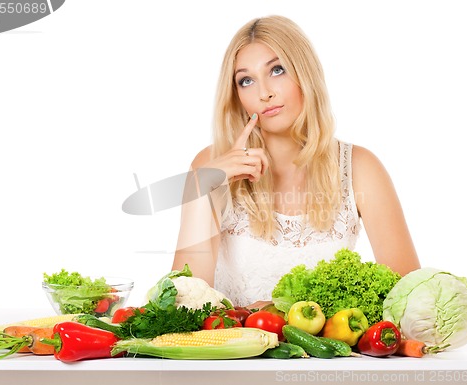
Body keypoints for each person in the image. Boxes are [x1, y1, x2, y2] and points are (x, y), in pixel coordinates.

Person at [172, 15, 420, 309]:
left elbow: (408, 300)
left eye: (278, 70)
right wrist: (202, 187)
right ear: (236, 96)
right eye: (246, 80)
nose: (264, 93)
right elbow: (183, 306)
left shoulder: (361, 168)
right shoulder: (211, 163)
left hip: (330, 355)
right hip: (236, 355)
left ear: (306, 73)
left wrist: (285, 312)